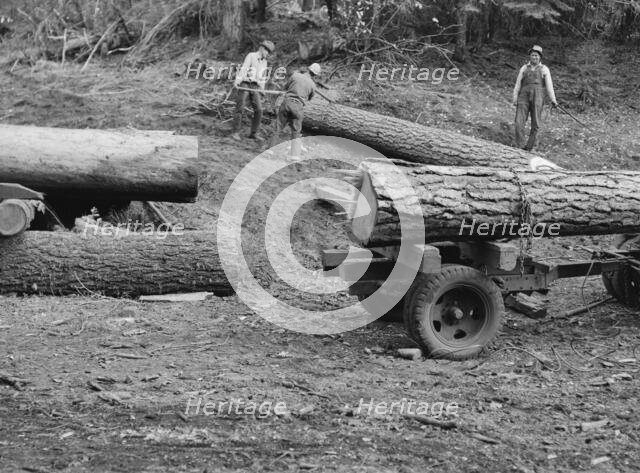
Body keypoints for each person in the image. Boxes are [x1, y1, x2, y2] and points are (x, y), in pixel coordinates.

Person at [268, 63, 322, 159]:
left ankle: (270, 150)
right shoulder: (313, 85)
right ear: (315, 75)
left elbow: (286, 87)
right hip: (298, 107)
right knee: (296, 131)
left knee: (278, 127)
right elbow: (309, 98)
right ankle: (294, 156)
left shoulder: (295, 75)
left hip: (287, 103)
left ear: (308, 69)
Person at [513, 45, 558, 151]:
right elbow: (518, 84)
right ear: (530, 56)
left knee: (536, 123)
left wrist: (553, 99)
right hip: (523, 96)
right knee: (519, 122)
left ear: (540, 57)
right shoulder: (524, 68)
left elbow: (549, 86)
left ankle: (530, 147)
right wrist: (515, 98)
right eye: (533, 55)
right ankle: (520, 146)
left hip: (538, 97)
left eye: (536, 56)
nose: (534, 57)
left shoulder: (544, 69)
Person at [231, 40, 275, 140]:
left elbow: (262, 77)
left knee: (259, 110)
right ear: (262, 48)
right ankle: (235, 132)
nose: (267, 54)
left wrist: (262, 89)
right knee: (240, 107)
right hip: (245, 84)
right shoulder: (251, 56)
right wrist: (237, 81)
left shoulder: (265, 62)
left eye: (269, 52)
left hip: (255, 86)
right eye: (267, 51)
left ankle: (253, 133)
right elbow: (244, 68)